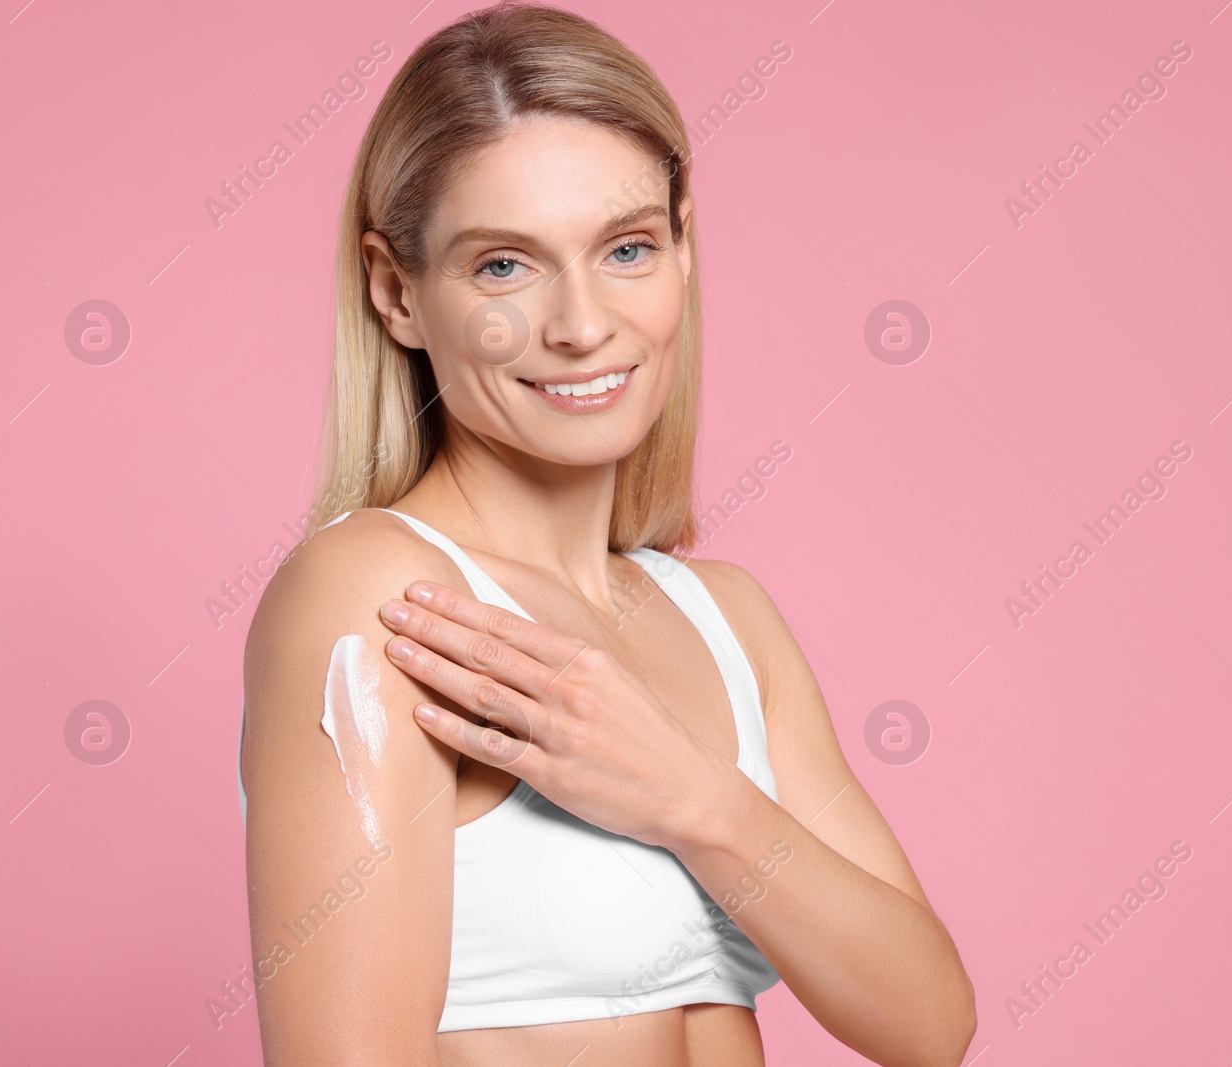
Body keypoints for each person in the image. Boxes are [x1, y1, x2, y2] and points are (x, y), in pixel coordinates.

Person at [239, 3, 976, 1063]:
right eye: (504, 266)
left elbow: (930, 1019)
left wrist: (693, 796)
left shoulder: (724, 615)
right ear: (397, 292)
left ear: (682, 248)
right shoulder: (385, 600)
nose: (583, 323)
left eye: (626, 246)